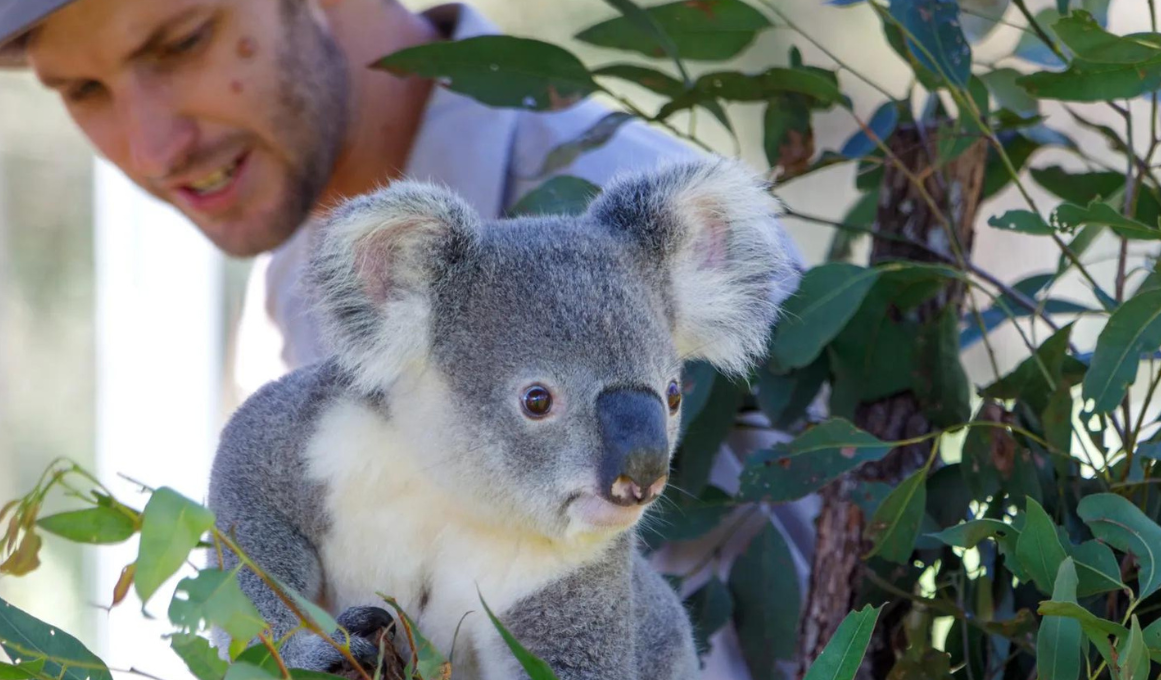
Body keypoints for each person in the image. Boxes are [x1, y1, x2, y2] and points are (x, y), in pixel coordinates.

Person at [0, 1, 818, 676]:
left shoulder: (636, 250)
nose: (150, 145)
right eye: (82, 89)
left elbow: (819, 637)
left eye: (184, 40)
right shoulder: (305, 279)